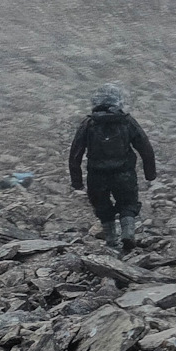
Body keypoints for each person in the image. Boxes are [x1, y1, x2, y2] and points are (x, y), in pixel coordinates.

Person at [68, 84, 157, 253]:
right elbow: (145, 148)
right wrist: (150, 174)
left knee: (102, 206)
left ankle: (111, 241)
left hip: (97, 176)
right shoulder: (127, 121)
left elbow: (75, 154)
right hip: (124, 174)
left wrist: (77, 181)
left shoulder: (88, 124)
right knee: (128, 203)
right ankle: (128, 233)